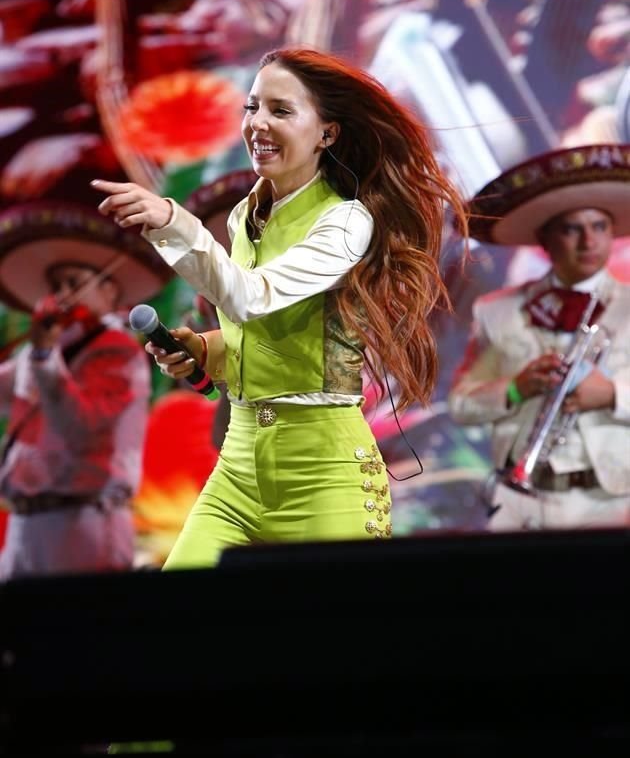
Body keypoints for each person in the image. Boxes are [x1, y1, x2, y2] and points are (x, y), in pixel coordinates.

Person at [93, 45, 468, 568]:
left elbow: (253, 298)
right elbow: (267, 332)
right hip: (240, 464)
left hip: (322, 472)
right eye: (252, 107)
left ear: (327, 133)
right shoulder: (246, 214)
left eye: (281, 111)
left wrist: (171, 222)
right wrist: (207, 350)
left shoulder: (347, 221)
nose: (258, 124)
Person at [448, 144, 630, 531]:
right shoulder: (497, 310)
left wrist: (613, 394)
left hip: (612, 500)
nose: (588, 241)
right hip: (521, 507)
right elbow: (462, 405)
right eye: (571, 229)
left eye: (599, 226)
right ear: (545, 242)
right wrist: (513, 389)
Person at [0, 200, 171, 580]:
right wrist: (41, 351)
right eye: (57, 285)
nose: (62, 294)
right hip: (27, 521)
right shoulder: (43, 352)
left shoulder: (120, 353)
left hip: (83, 522)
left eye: (73, 283)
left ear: (110, 292)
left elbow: (77, 425)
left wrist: (44, 353)